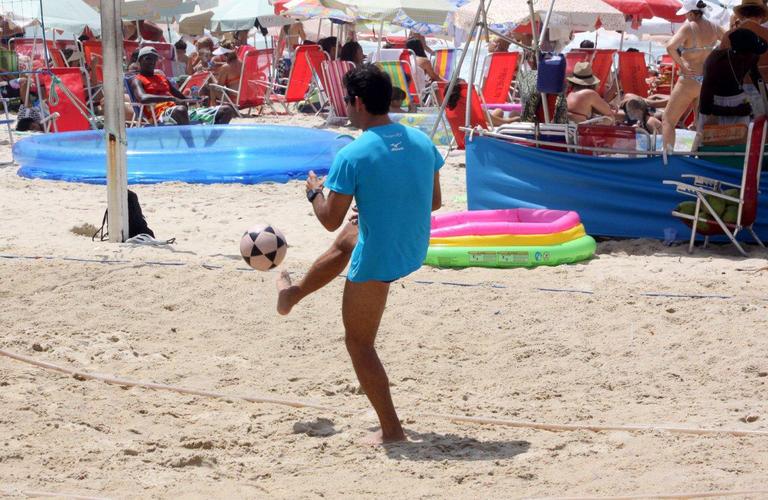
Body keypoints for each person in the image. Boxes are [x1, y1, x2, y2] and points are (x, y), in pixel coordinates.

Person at [276, 64, 443, 445]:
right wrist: (378, 206)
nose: (346, 107)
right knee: (348, 239)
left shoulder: (352, 154)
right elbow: (433, 201)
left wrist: (313, 192)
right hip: (413, 245)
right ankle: (293, 294)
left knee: (359, 342)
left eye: (347, 101)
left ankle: (392, 432)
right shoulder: (421, 140)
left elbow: (328, 218)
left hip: (382, 257)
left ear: (358, 103)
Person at [662, 0, 723, 150]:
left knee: (668, 120)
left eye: (686, 14)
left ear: (690, 13)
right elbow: (730, 42)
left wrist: (682, 66)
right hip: (707, 80)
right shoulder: (714, 27)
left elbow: (670, 47)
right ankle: (698, 156)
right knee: (700, 124)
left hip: (689, 79)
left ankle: (667, 158)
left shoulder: (688, 27)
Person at [131, 47, 235, 125]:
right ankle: (191, 146)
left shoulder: (161, 78)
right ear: (140, 60)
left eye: (154, 59)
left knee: (227, 110)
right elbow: (142, 98)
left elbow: (181, 97)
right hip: (160, 115)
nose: (152, 62)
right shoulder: (137, 80)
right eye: (148, 58)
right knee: (180, 110)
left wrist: (196, 99)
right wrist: (170, 98)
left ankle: (210, 144)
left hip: (179, 112)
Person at [699, 28, 767, 129]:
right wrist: (735, 111)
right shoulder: (715, 64)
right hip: (716, 110)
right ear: (738, 53)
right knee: (714, 144)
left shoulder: (752, 54)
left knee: (742, 143)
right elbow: (705, 108)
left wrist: (766, 98)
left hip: (739, 105)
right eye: (750, 53)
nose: (754, 56)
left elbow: (756, 76)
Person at [719, 0, 768, 116]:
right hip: (763, 87)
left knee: (740, 130)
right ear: (761, 15)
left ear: (741, 14)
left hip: (735, 90)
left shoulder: (728, 36)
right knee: (762, 130)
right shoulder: (766, 33)